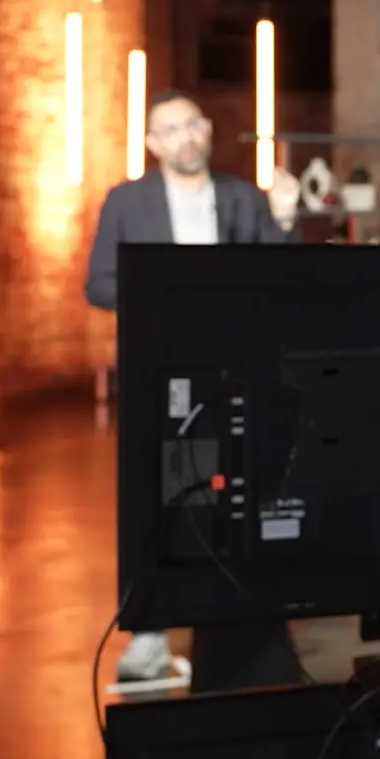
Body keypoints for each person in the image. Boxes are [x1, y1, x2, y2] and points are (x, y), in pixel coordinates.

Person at [87, 89, 300, 683]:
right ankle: (149, 641)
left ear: (207, 129)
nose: (184, 136)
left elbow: (278, 276)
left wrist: (283, 220)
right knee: (167, 500)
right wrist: (166, 292)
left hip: (234, 378)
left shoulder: (239, 198)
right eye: (170, 128)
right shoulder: (127, 202)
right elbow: (99, 284)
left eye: (192, 124)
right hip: (163, 378)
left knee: (230, 499)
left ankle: (235, 629)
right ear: (152, 142)